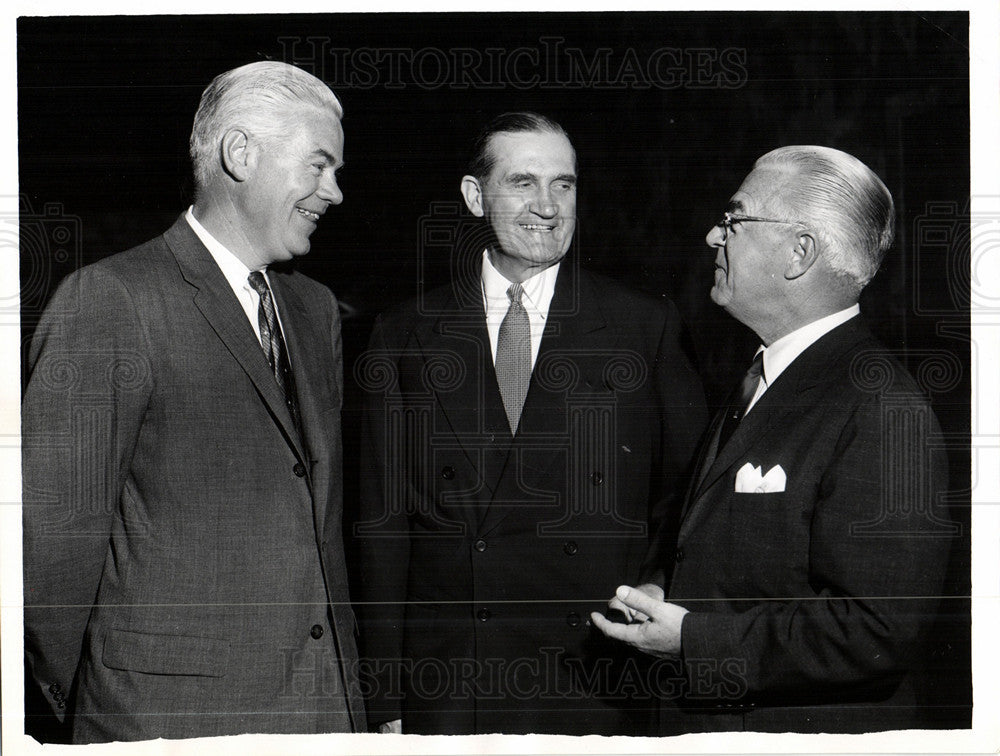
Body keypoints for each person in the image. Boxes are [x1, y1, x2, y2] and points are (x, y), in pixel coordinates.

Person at [22, 61, 365, 743]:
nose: (336, 191)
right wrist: (97, 707)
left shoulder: (314, 309)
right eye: (320, 165)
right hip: (168, 726)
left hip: (325, 719)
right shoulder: (112, 300)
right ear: (241, 154)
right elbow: (50, 550)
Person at [355, 112, 707, 735]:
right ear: (474, 196)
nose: (547, 206)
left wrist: (657, 597)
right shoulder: (405, 334)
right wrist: (385, 702)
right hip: (454, 688)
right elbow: (383, 535)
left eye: (564, 185)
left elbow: (687, 508)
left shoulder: (642, 328)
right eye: (523, 183)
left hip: (594, 678)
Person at [592, 145, 954, 733]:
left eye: (734, 220)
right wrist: (662, 586)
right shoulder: (762, 378)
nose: (714, 236)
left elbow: (877, 632)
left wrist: (692, 640)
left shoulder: (883, 407)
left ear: (799, 251)